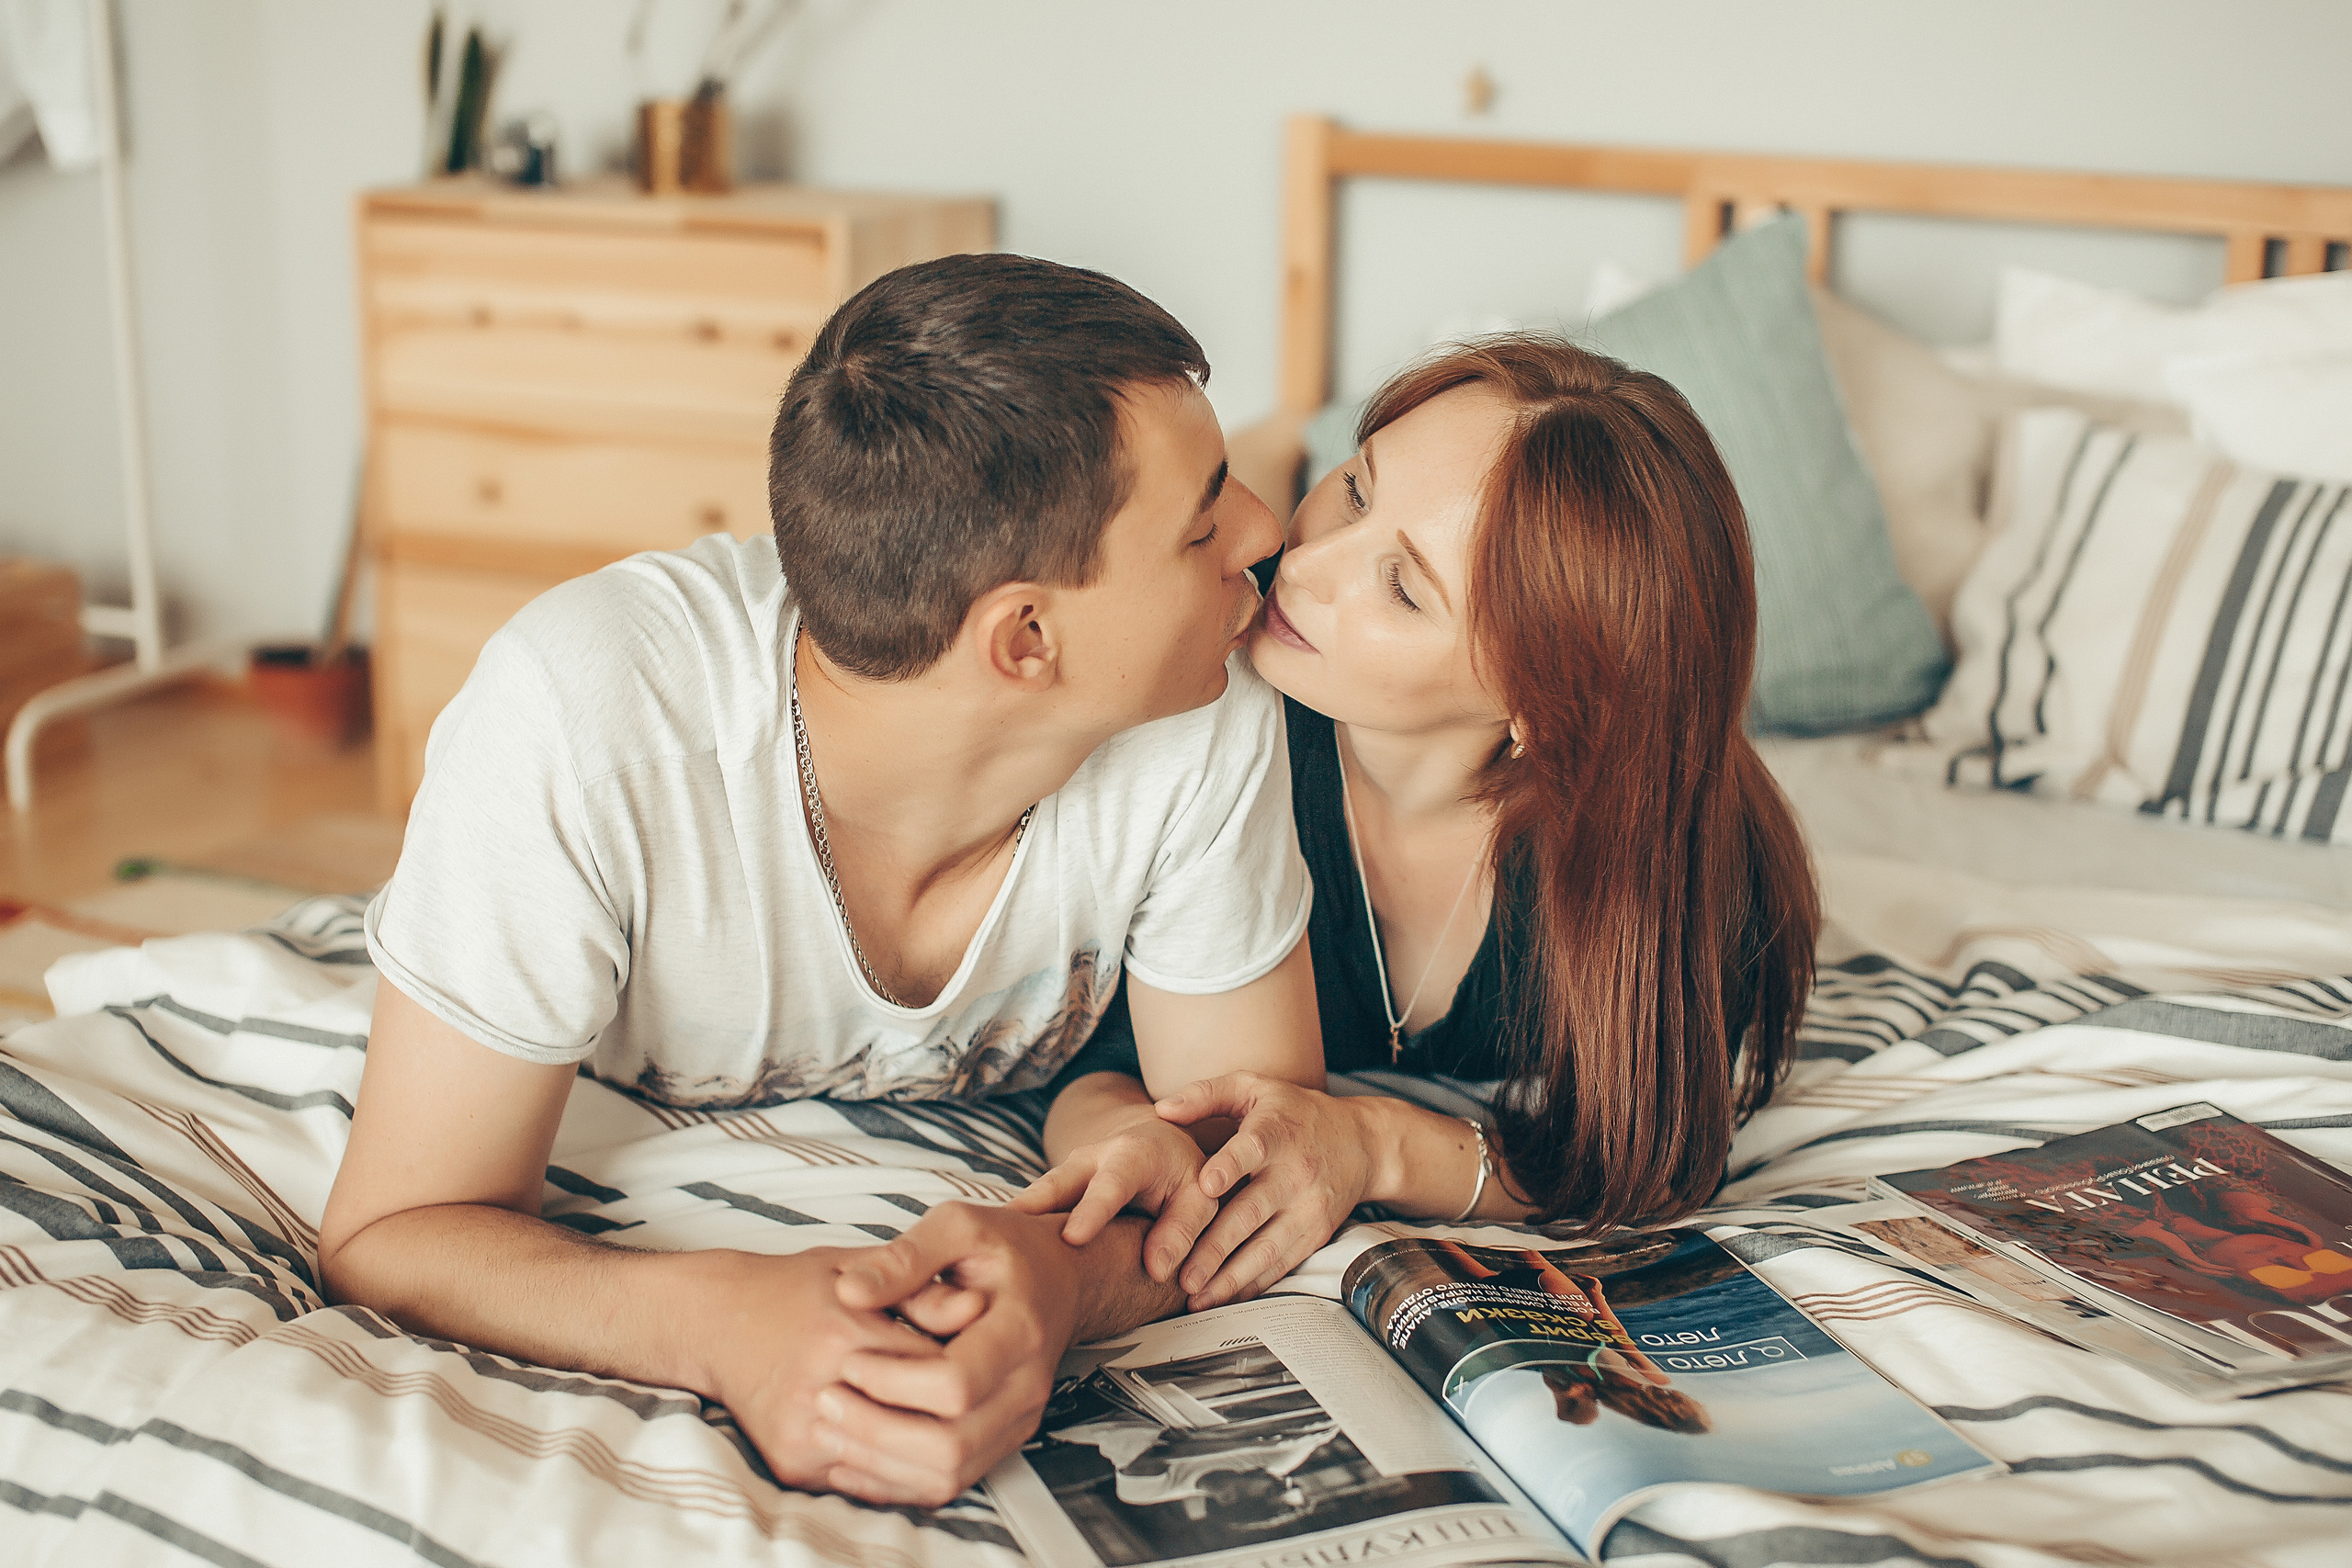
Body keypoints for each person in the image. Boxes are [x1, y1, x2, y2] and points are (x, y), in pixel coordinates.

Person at [317, 254, 1326, 1511]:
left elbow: (1252, 1152)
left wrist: (1062, 1276)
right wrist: (723, 1318)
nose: (1266, 531)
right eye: (1201, 520)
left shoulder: (1199, 709)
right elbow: (391, 1227)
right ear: (1026, 639)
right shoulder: (581, 721)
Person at [1019, 333, 1821, 1307]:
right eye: (1354, 488)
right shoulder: (1201, 736)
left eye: (1402, 585)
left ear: (1543, 696)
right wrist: (1126, 1139)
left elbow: (1644, 1151)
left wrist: (1375, 1144)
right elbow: (1083, 1051)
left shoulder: (1684, 858)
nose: (1302, 561)